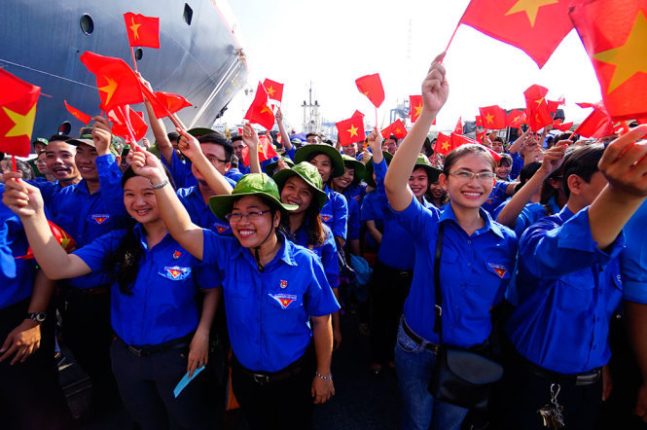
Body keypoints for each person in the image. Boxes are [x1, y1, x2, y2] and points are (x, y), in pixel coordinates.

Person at [131, 130, 339, 429]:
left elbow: (321, 321)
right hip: (246, 380)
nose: (243, 222)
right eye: (236, 214)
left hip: (295, 379)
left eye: (254, 212)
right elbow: (184, 230)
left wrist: (324, 373)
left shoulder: (305, 263)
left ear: (276, 218)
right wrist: (158, 179)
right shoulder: (226, 252)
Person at [3, 164, 220, 430]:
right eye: (129, 194)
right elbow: (59, 267)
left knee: (188, 421)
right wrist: (33, 215)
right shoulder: (117, 242)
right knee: (147, 421)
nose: (139, 202)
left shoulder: (193, 242)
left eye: (149, 193)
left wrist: (202, 334)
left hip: (179, 358)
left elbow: (211, 289)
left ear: (167, 192)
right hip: (126, 359)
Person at [384, 54, 517, 430]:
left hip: (469, 354)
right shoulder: (427, 225)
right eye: (464, 173)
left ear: (494, 183)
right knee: (417, 421)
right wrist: (428, 113)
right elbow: (394, 185)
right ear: (444, 181)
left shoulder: (507, 241)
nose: (474, 182)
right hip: (416, 349)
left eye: (484, 174)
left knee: (450, 425)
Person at [498, 126, 647, 429]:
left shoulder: (618, 243)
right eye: (611, 181)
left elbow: (600, 315)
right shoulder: (539, 231)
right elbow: (556, 253)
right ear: (575, 183)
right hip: (537, 385)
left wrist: (599, 362)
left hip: (590, 384)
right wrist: (621, 196)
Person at [0, 182, 75, 430]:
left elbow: (50, 258)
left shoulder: (15, 196)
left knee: (36, 407)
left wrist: (34, 319)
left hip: (17, 321)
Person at [273, 161, 342, 349]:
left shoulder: (323, 235)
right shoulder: (267, 227)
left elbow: (331, 283)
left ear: (313, 200)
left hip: (309, 324)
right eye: (290, 187)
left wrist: (335, 327)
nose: (295, 195)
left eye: (305, 192)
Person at [294, 143, 349, 248]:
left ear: (332, 170)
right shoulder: (293, 196)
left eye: (325, 164)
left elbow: (339, 240)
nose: (318, 168)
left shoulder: (338, 200)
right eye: (313, 163)